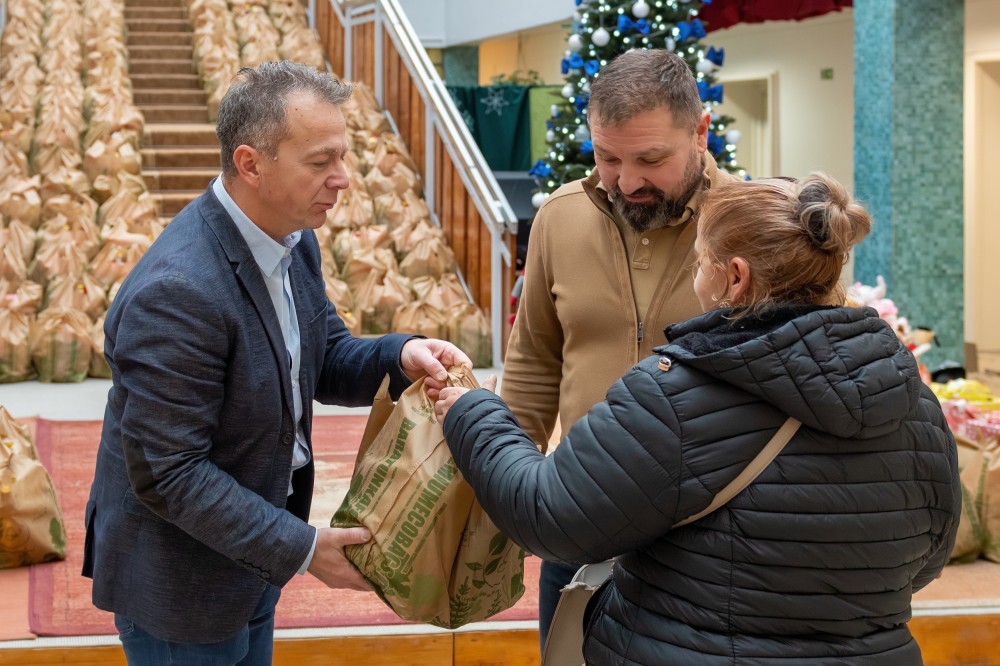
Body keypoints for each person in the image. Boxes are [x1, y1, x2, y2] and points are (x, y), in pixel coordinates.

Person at [436, 173, 961, 664]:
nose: (695, 275)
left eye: (701, 261)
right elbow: (928, 559)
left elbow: (549, 515)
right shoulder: (914, 402)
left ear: (735, 277)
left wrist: (472, 411)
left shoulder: (675, 398)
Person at [82, 61, 470, 664]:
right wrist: (304, 548)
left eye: (343, 156)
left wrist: (400, 355)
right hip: (183, 585)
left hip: (252, 555)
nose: (343, 179)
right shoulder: (179, 291)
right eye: (320, 162)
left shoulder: (291, 237)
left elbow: (322, 357)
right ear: (250, 164)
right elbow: (170, 473)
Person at [499, 48, 738, 650]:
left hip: (710, 534)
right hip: (580, 517)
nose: (627, 182)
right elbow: (533, 362)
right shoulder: (559, 217)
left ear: (700, 131)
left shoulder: (751, 224)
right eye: (607, 157)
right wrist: (508, 486)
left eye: (651, 159)